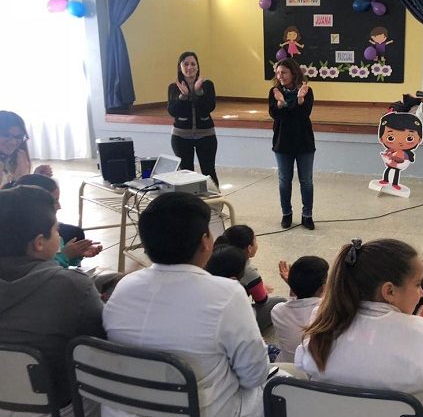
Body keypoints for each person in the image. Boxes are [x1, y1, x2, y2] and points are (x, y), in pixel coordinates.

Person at [103, 192, 268, 417]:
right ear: (205, 242)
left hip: (128, 408)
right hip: (202, 410)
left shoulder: (123, 288)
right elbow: (254, 374)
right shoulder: (227, 294)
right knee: (272, 387)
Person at [296, 238, 423, 416]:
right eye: (418, 284)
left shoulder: (322, 321)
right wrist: (415, 327)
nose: (422, 293)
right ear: (389, 291)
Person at [0, 185, 104, 417]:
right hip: (57, 407)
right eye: (56, 230)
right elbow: (100, 348)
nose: (59, 236)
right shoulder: (72, 286)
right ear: (39, 242)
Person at [5, 174, 102, 267]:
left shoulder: (48, 231)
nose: (59, 206)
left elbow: (61, 264)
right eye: (55, 201)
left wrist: (75, 254)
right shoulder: (21, 237)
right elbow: (39, 272)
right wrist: (65, 255)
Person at [269, 58, 316, 230]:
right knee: (284, 181)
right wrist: (280, 103)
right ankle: (286, 214)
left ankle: (307, 215)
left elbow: (303, 115)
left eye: (284, 72)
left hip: (304, 142)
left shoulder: (306, 91)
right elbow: (276, 115)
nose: (280, 76)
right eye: (278, 72)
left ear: (293, 73)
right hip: (283, 143)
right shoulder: (274, 91)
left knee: (306, 181)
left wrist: (300, 99)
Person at [214, 224, 286, 332]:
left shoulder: (214, 257)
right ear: (249, 248)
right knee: (281, 302)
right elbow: (262, 301)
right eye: (255, 241)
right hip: (235, 324)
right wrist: (260, 288)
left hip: (214, 314)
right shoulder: (248, 270)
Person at [167, 52, 219, 187]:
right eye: (186, 64)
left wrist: (198, 92)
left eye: (193, 64)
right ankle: (190, 206)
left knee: (209, 172)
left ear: (197, 66)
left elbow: (208, 108)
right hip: (181, 137)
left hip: (206, 136)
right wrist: (183, 96)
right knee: (186, 174)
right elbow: (173, 111)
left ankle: (215, 206)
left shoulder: (207, 85)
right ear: (180, 67)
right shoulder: (174, 87)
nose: (190, 67)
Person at [270, 255, 329, 363]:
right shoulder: (328, 313)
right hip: (315, 371)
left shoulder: (277, 312)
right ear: (323, 287)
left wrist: (294, 284)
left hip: (287, 369)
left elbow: (295, 301)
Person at [0, 110, 52, 187]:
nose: (13, 142)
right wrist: (19, 177)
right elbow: (6, 197)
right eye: (6, 135)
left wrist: (34, 177)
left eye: (18, 137)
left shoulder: (16, 156)